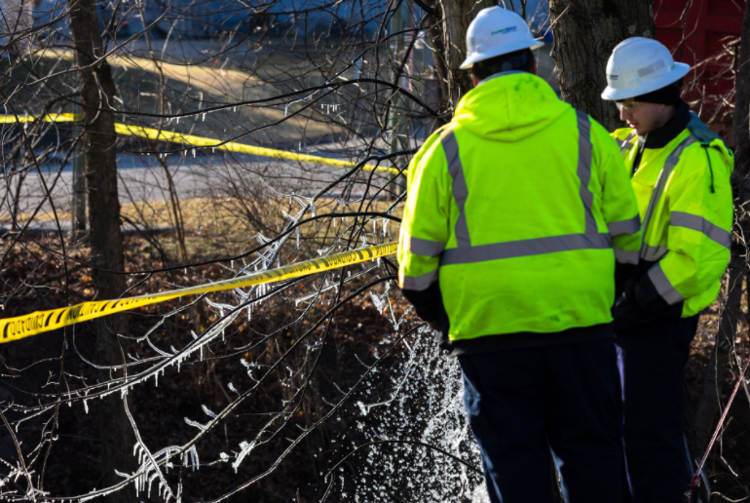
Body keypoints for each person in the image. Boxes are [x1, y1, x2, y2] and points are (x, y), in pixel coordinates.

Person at [397, 6, 642, 503]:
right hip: (581, 326)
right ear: (532, 65)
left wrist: (454, 321)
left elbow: (414, 272)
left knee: (515, 465)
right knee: (592, 457)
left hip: (490, 336)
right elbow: (629, 244)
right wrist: (597, 298)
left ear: (470, 76)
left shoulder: (442, 152)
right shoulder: (586, 134)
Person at [601, 37, 734, 503]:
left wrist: (634, 303)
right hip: (622, 313)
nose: (621, 114)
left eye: (628, 103)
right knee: (617, 435)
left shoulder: (698, 159)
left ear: (659, 95)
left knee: (647, 440)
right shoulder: (627, 146)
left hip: (657, 321)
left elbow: (695, 262)